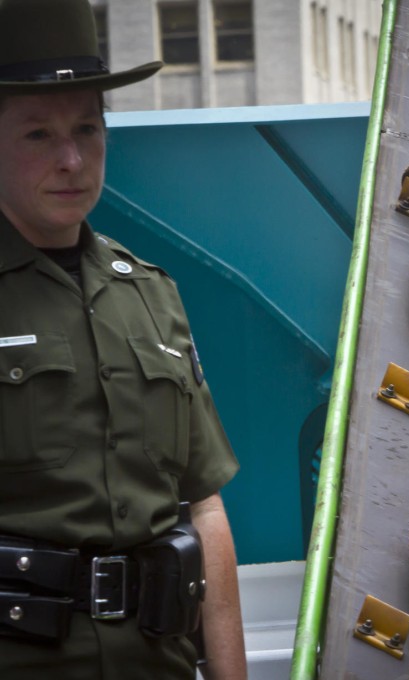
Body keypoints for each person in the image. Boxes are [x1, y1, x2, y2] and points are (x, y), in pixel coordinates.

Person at [0, 0, 246, 678]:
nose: (72, 158)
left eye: (87, 127)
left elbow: (204, 507)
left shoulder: (150, 294)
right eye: (37, 135)